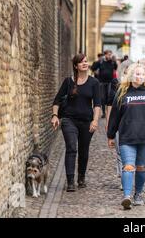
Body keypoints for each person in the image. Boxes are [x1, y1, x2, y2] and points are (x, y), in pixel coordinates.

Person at [107, 63, 145, 210]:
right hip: (127, 136)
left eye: (142, 74)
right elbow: (114, 116)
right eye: (136, 74)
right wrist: (110, 135)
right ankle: (127, 196)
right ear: (131, 75)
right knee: (128, 167)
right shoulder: (122, 92)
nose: (139, 77)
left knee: (141, 168)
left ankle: (138, 194)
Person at [52, 54, 102, 192]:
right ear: (76, 66)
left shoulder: (94, 83)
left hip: (86, 122)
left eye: (86, 61)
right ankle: (70, 181)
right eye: (81, 62)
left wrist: (95, 120)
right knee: (71, 148)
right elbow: (56, 101)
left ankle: (81, 177)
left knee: (83, 151)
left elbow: (97, 104)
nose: (85, 64)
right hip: (69, 120)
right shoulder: (68, 82)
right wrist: (55, 116)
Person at [106, 61, 132, 184]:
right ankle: (123, 178)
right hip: (118, 123)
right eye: (126, 71)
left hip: (132, 125)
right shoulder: (116, 84)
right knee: (119, 152)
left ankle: (126, 174)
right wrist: (109, 124)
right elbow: (110, 105)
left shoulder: (138, 87)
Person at [92, 50, 118, 118]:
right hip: (102, 82)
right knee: (102, 98)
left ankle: (109, 112)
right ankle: (103, 112)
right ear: (105, 55)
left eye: (110, 54)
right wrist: (96, 73)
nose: (109, 56)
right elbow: (93, 67)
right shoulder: (100, 62)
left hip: (110, 82)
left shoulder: (112, 62)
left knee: (109, 97)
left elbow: (115, 68)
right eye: (108, 55)